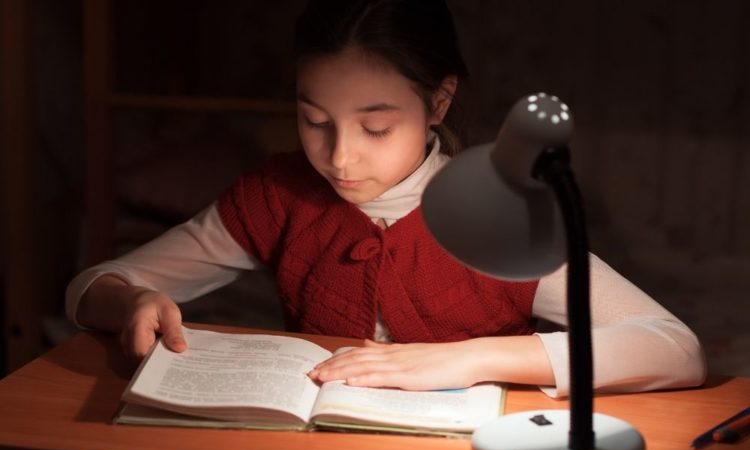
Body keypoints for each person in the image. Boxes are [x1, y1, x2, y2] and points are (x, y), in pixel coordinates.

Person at [66, 0, 706, 398]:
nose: (340, 157)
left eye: (375, 127)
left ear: (439, 102)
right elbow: (94, 284)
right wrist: (134, 298)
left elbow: (674, 347)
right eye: (314, 119)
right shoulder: (278, 194)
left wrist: (463, 360)